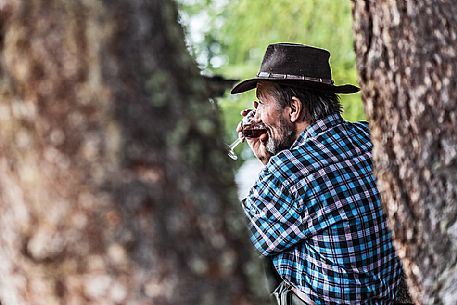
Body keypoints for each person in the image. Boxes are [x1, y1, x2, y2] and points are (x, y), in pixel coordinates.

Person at [231, 43, 402, 305]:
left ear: (294, 109)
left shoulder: (288, 172)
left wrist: (274, 166)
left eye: (262, 103)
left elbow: (233, 242)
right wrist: (270, 159)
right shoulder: (370, 134)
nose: (255, 114)